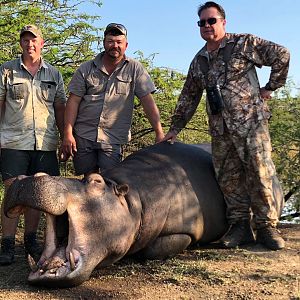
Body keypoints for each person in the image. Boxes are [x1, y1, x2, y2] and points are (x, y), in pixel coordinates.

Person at [163, 2, 290, 250]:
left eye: (212, 20)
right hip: (220, 130)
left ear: (223, 22)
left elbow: (282, 54)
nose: (207, 26)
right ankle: (239, 227)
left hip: (250, 125)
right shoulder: (199, 60)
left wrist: (270, 87)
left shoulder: (243, 43)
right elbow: (189, 96)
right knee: (229, 178)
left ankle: (266, 228)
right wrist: (175, 128)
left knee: (259, 172)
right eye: (202, 22)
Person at [0, 24, 66, 265]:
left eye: (34, 40)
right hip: (13, 141)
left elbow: (60, 108)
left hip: (45, 143)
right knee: (14, 192)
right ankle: (7, 243)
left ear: (42, 43)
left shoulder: (54, 74)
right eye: (25, 40)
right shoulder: (6, 70)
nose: (30, 44)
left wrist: (65, 137)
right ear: (21, 44)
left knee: (38, 193)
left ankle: (30, 240)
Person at [62, 23, 164, 176]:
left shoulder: (135, 69)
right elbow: (73, 101)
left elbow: (147, 101)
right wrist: (68, 134)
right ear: (104, 43)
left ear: (126, 45)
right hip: (84, 135)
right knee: (87, 183)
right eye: (110, 41)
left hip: (113, 138)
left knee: (111, 184)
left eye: (118, 42)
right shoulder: (86, 68)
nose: (114, 45)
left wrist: (159, 133)